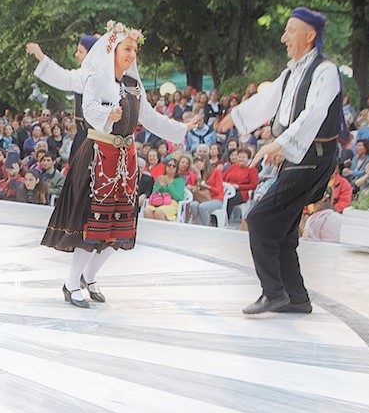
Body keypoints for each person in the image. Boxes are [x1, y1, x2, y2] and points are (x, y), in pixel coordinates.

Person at [41, 21, 190, 308]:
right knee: (92, 222)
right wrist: (109, 114)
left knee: (121, 226)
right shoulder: (98, 78)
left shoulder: (134, 85)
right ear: (113, 50)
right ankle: (71, 283)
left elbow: (150, 117)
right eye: (127, 48)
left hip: (126, 159)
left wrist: (181, 129)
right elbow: (89, 108)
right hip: (99, 155)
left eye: (135, 49)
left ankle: (90, 276)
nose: (132, 54)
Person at [217, 7, 345, 315]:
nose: (284, 37)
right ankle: (295, 297)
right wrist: (234, 117)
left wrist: (278, 143)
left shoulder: (325, 70)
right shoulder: (292, 71)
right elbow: (268, 99)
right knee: (285, 229)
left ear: (309, 35)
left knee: (260, 219)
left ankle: (273, 292)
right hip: (299, 158)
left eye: (290, 30)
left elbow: (312, 114)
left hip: (311, 159)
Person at [26, 34, 99, 159]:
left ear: (91, 55)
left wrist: (40, 55)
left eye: (80, 51)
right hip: (87, 135)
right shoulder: (94, 72)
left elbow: (64, 78)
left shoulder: (91, 75)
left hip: (91, 136)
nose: (76, 55)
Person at [187, 155, 225, 225]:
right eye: (195, 163)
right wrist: (198, 175)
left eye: (198, 162)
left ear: (204, 162)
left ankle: (206, 225)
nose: (196, 165)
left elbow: (219, 191)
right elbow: (198, 188)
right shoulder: (200, 174)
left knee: (203, 207)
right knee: (193, 205)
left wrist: (208, 187)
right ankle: (197, 223)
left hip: (216, 199)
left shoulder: (216, 172)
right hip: (203, 198)